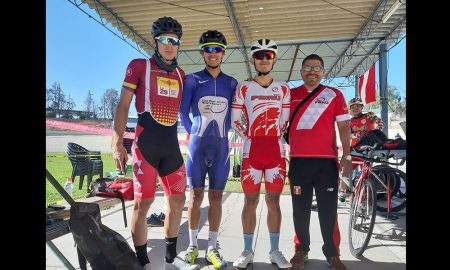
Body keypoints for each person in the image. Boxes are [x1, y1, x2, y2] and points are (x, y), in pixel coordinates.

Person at [112, 16, 187, 270]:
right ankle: (143, 263)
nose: (169, 45)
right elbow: (122, 106)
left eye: (174, 41)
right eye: (165, 40)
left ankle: (169, 261)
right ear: (156, 42)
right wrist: (117, 143)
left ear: (178, 45)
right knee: (143, 204)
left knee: (177, 202)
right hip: (146, 145)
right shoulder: (139, 66)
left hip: (171, 147)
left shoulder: (180, 74)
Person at [231, 38, 292, 269]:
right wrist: (250, 138)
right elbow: (235, 120)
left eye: (268, 56)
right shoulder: (243, 87)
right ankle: (247, 250)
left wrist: (274, 137)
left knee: (274, 201)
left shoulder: (283, 88)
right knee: (250, 200)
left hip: (276, 151)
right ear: (253, 60)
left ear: (274, 59)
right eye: (259, 56)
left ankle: (275, 251)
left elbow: (285, 122)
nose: (264, 60)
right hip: (251, 151)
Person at [179, 30, 238, 270]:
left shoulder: (231, 82)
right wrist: (191, 132)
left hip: (221, 147)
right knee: (195, 196)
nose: (213, 53)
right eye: (208, 49)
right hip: (197, 146)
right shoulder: (192, 79)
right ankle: (193, 246)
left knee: (216, 198)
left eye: (217, 49)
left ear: (223, 53)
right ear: (202, 52)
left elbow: (236, 114)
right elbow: (183, 112)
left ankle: (212, 247)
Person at [287, 54, 351, 270]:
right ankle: (301, 250)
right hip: (298, 162)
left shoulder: (335, 95)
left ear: (323, 71)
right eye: (307, 67)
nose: (312, 71)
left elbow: (343, 126)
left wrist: (347, 155)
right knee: (300, 209)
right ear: (301, 71)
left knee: (328, 210)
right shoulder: (290, 94)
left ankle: (332, 253)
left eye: (316, 68)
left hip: (326, 163)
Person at [338, 97, 384, 200]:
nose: (355, 108)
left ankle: (363, 195)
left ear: (362, 107)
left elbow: (381, 123)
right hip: (355, 150)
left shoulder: (370, 115)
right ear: (349, 109)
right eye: (353, 107)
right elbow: (348, 135)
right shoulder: (348, 121)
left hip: (368, 150)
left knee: (365, 174)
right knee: (345, 170)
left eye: (358, 106)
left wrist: (377, 132)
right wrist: (357, 136)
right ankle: (343, 192)